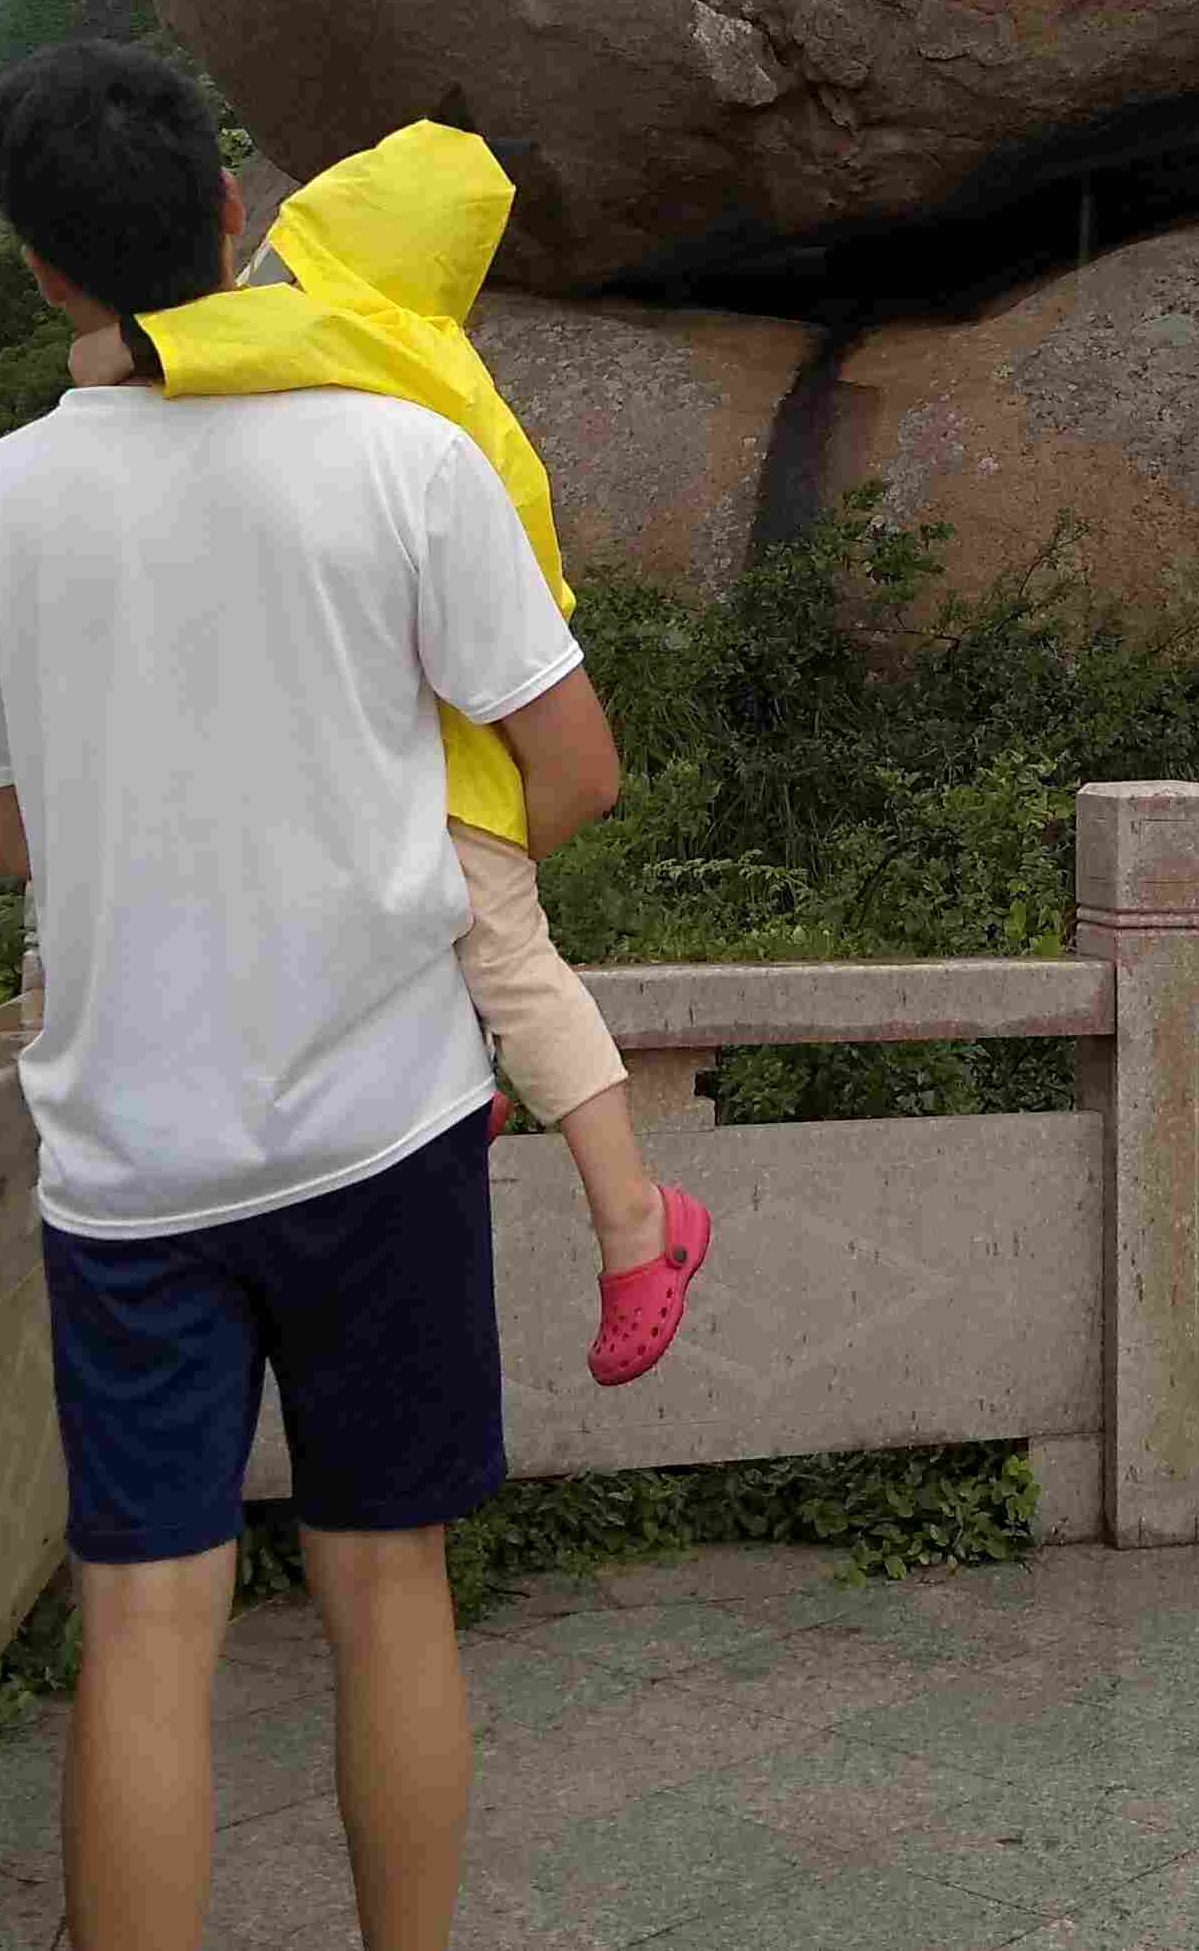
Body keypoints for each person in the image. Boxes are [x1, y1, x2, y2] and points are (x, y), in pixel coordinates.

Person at [0, 38, 602, 1951]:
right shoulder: (404, 458)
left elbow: (3, 837)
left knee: (146, 1623)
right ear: (234, 215)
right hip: (382, 1115)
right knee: (392, 1592)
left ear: (42, 270)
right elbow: (577, 762)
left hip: (128, 1156)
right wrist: (419, 850)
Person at [63, 117, 712, 1385]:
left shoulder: (372, 342)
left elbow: (258, 337)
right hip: (439, 730)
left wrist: (132, 345)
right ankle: (455, 1107)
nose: (278, 288)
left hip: (454, 757)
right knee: (425, 954)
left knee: (506, 960)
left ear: (348, 243)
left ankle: (638, 1223)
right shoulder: (453, 375)